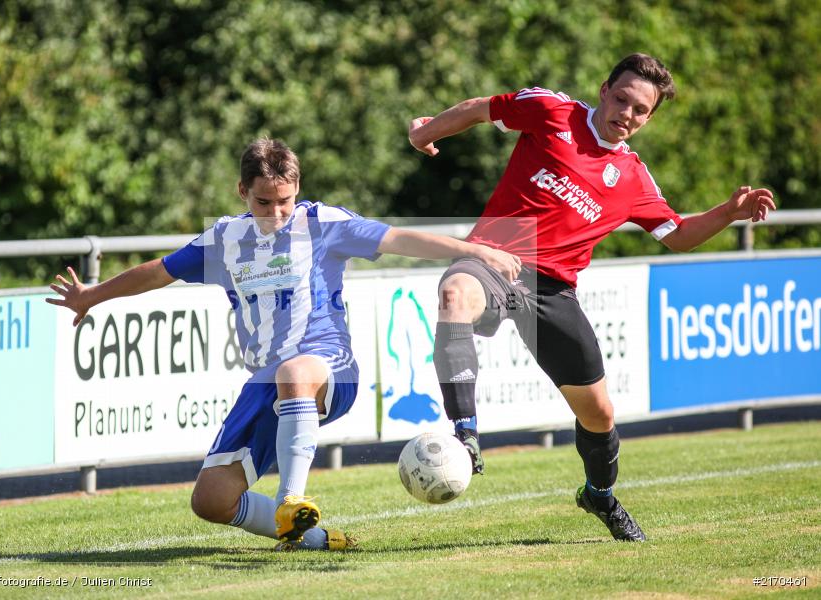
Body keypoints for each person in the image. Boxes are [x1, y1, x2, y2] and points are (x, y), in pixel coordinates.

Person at [47, 138, 521, 551]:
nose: (275, 214)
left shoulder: (323, 224)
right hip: (265, 381)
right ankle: (310, 535)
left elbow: (400, 239)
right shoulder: (225, 239)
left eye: (285, 202)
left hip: (329, 369)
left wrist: (472, 249)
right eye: (263, 202)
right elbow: (159, 271)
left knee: (294, 371)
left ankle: (291, 498)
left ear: (298, 190)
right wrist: (93, 294)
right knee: (211, 501)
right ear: (241, 192)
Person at [407, 53, 776, 541]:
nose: (627, 113)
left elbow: (677, 234)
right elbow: (480, 108)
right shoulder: (550, 110)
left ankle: (599, 495)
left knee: (598, 414)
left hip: (554, 291)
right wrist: (426, 133)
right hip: (495, 260)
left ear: (649, 118)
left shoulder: (634, 179)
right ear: (605, 90)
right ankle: (466, 433)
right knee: (454, 292)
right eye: (621, 99)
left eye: (640, 110)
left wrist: (728, 212)